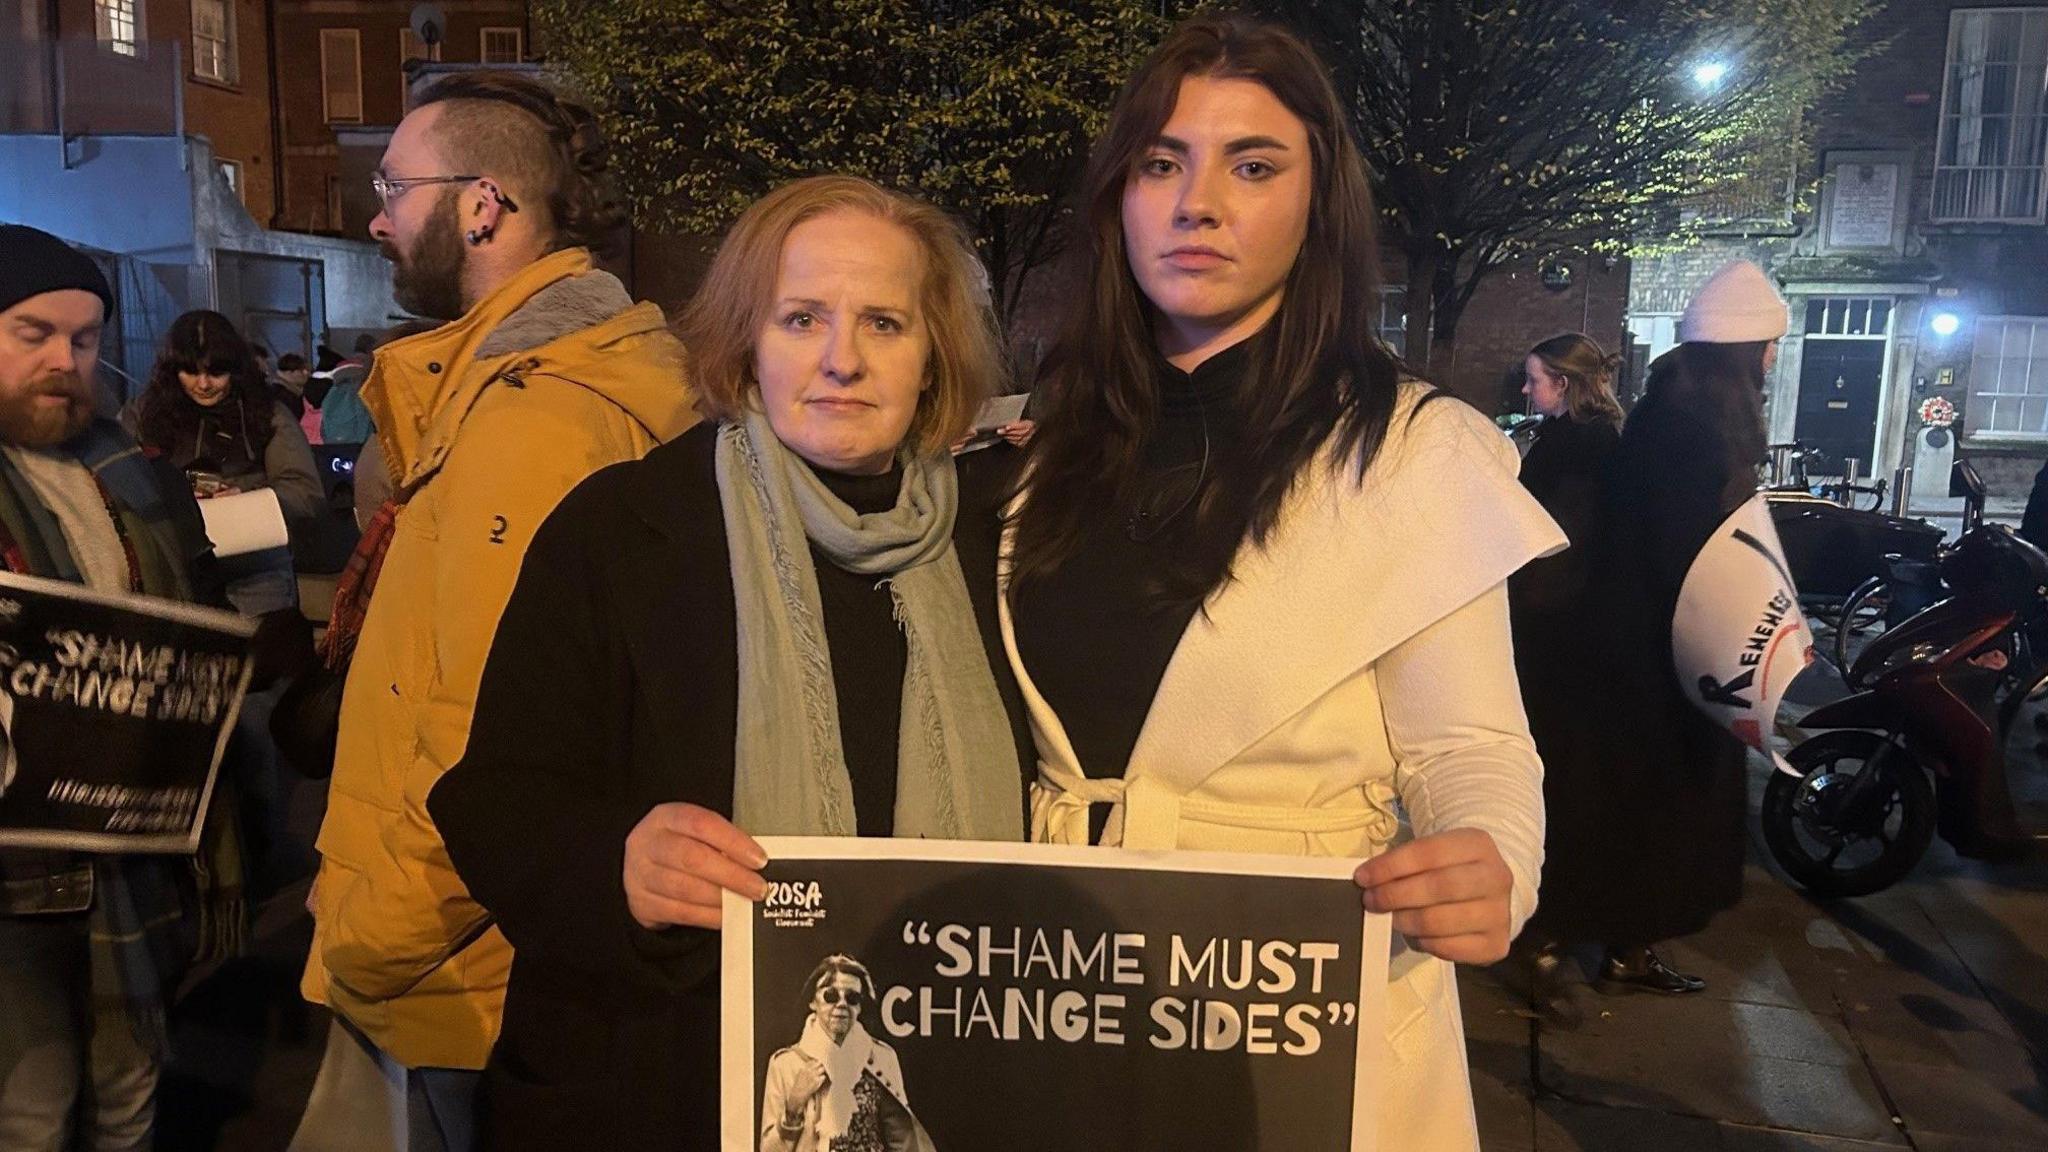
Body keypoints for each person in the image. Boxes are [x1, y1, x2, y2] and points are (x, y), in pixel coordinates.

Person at [997, 16, 1563, 1148]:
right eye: (1160, 163)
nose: (1194, 201)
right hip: (1059, 993)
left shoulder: (1410, 451)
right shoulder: (1042, 453)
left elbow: (1468, 748)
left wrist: (1492, 860)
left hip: (1300, 1000)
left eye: (1251, 165)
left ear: (1317, 207)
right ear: (1117, 197)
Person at [427, 174, 1033, 1151]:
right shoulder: (620, 531)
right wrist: (616, 863)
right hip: (660, 1084)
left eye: (883, 322)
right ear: (747, 342)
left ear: (933, 356)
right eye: (801, 319)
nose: (842, 360)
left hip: (926, 1093)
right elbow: (493, 799)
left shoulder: (991, 550)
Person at [295, 70, 696, 1152]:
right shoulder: (506, 389)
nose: (377, 218)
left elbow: (482, 736)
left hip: (463, 976)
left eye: (393, 185)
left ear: (482, 205)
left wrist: (375, 935)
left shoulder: (540, 419)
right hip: (472, 956)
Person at [0, 224, 238, 1152]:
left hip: (130, 853)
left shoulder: (132, 474)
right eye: (33, 333)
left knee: (130, 1084)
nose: (65, 360)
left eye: (86, 339)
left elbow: (195, 611)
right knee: (31, 1109)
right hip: (13, 879)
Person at [1564, 260, 1788, 995]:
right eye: (1769, 348)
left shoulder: (1669, 414)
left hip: (1636, 649)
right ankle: (1610, 943)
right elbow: (1688, 551)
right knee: (1654, 810)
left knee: (1632, 805)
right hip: (1665, 657)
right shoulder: (1696, 435)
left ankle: (1613, 939)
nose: (1773, 361)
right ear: (1747, 354)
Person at [1501, 334, 1632, 1015]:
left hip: (1558, 642)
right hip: (1575, 639)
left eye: (1534, 380)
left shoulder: (1577, 451)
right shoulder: (1595, 442)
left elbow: (1556, 550)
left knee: (1556, 777)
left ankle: (1543, 928)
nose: (1527, 392)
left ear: (1563, 381)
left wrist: (1519, 607)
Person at [131, 309, 324, 615]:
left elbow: (305, 491)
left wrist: (247, 500)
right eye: (191, 372)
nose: (203, 384)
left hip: (255, 573)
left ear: (236, 370)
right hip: (177, 571)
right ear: (172, 370)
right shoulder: (144, 413)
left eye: (216, 373)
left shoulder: (268, 413)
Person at [760, 955, 933, 1152]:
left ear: (859, 1007)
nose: (842, 1004)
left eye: (852, 998)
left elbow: (902, 1139)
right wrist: (793, 1108)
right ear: (813, 1002)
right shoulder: (786, 1065)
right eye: (831, 995)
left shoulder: (881, 1057)